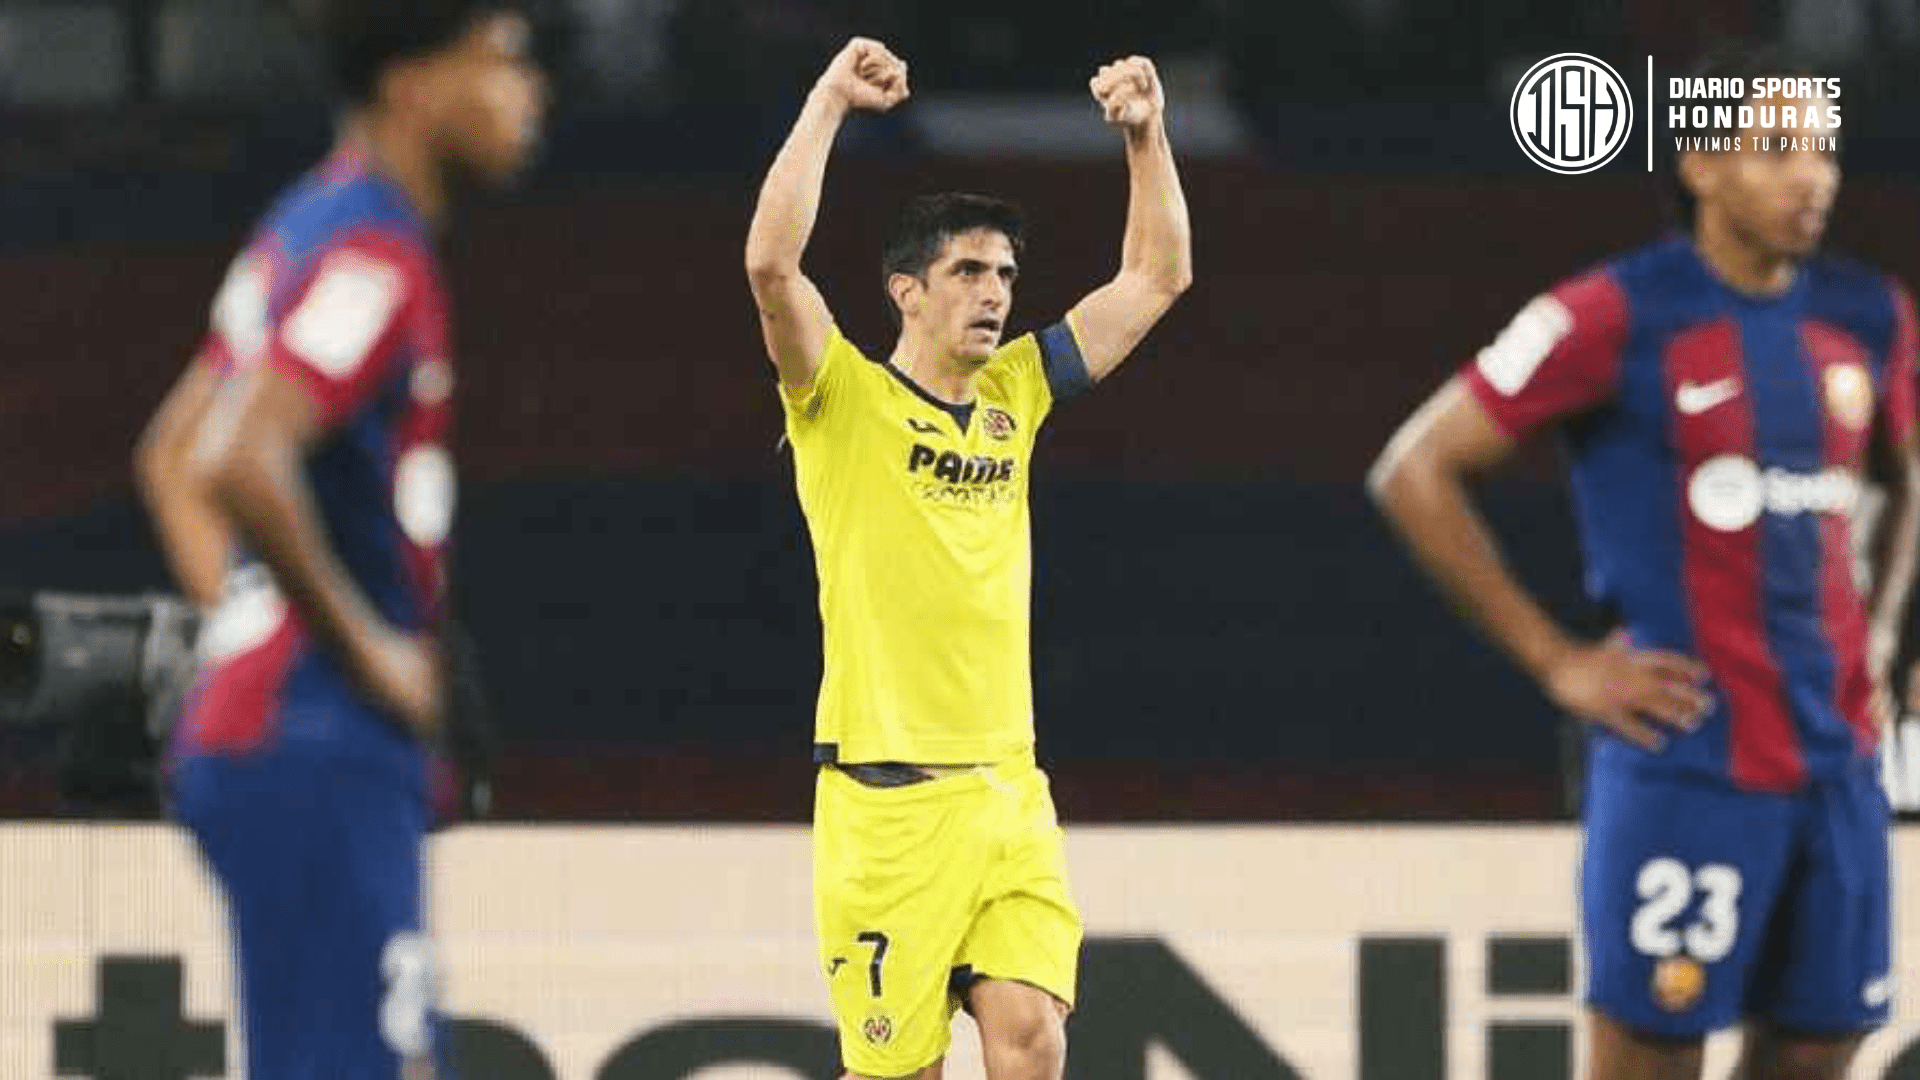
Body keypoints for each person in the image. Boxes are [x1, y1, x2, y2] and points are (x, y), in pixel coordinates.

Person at [1368, 43, 1916, 1080]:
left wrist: (1883, 633)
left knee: (1821, 1048)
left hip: (1839, 762)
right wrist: (1558, 662)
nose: (1813, 178)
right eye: (1778, 150)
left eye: (1825, 151)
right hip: (1685, 759)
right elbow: (1415, 468)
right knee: (1651, 1056)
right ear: (1700, 164)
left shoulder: (1870, 313)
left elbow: (1903, 477)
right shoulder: (1613, 311)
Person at [743, 37, 1191, 1080]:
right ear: (906, 290)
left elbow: (1158, 275)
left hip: (1008, 790)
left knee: (1032, 1040)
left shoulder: (1016, 392)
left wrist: (1147, 135)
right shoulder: (840, 397)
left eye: (1005, 274)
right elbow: (771, 266)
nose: (995, 292)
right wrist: (829, 101)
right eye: (969, 272)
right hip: (888, 808)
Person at [133, 1, 545, 1075]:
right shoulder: (371, 249)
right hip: (319, 740)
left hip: (277, 737)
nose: (528, 90)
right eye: (499, 60)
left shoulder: (306, 223)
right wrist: (371, 655)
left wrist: (247, 628)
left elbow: (172, 459)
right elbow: (234, 457)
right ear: (411, 85)